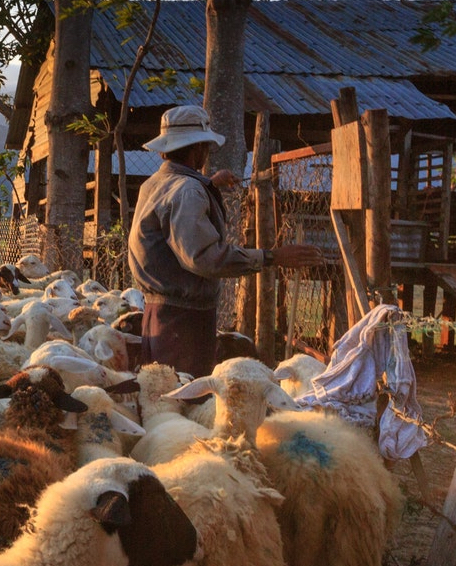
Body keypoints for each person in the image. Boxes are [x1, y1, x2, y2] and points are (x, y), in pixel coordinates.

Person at [128, 105, 323, 376]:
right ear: (198, 149)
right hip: (184, 323)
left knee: (161, 399)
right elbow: (205, 257)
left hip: (157, 314)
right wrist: (272, 256)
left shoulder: (155, 184)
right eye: (205, 147)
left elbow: (176, 210)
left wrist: (209, 183)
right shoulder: (189, 191)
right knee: (187, 399)